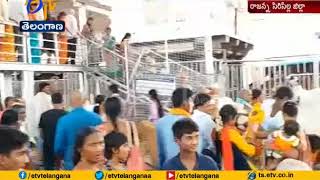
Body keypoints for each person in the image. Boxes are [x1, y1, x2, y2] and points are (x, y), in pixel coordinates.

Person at [54, 91, 102, 170]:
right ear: (84, 101)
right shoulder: (97, 118)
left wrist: (64, 156)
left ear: (70, 103)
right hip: (93, 161)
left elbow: (58, 147)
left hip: (70, 160)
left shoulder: (63, 120)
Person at [156, 88, 194, 167]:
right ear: (184, 103)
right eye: (191, 101)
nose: (193, 104)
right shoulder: (193, 123)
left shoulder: (160, 122)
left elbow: (159, 153)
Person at [218, 105, 256, 170]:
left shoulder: (219, 132)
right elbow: (251, 152)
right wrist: (251, 141)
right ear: (233, 118)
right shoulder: (233, 134)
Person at [39, 93, 67, 170]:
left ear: (51, 101)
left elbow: (41, 134)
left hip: (48, 147)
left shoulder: (44, 115)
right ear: (62, 101)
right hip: (63, 147)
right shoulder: (67, 115)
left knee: (49, 170)